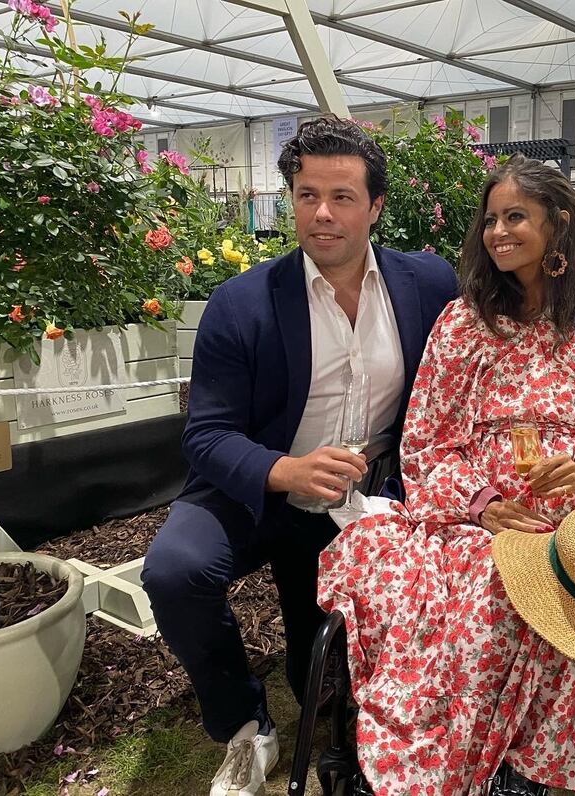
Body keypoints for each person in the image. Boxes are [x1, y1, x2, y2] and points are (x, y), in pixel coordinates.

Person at [317, 154, 575, 796]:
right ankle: (453, 759)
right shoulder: (463, 323)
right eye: (491, 220)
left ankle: (533, 769)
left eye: (516, 217)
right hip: (468, 515)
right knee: (467, 591)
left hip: (574, 520)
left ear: (559, 225)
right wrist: (481, 503)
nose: (498, 232)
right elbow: (425, 442)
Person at [141, 115, 458, 796]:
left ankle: (348, 713)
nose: (322, 213)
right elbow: (205, 434)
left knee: (322, 672)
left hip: (361, 496)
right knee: (174, 572)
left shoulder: (427, 285)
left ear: (375, 206)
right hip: (254, 489)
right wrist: (285, 470)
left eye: (342, 197)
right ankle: (244, 725)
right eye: (307, 194)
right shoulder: (242, 303)